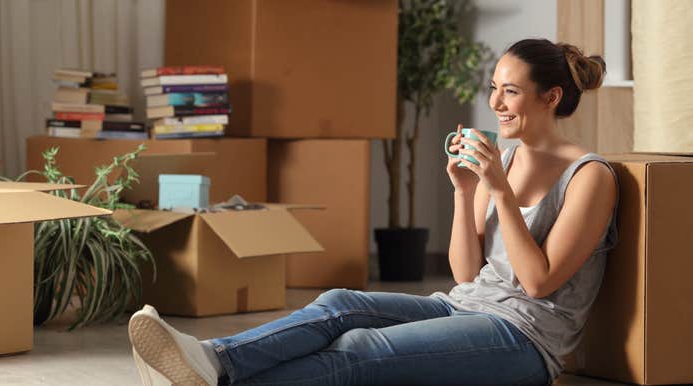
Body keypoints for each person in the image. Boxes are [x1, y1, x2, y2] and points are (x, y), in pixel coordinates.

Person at [126, 38, 618, 386]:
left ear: (551, 97)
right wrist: (464, 192)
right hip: (466, 305)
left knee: (361, 351)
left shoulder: (589, 177)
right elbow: (467, 274)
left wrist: (500, 192)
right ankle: (213, 361)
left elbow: (536, 284)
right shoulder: (503, 162)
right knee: (340, 304)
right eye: (494, 87)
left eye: (510, 90)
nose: (494, 102)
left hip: (525, 342)